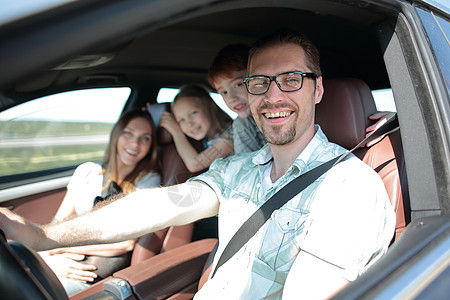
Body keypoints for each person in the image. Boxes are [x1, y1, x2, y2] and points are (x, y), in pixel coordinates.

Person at [0, 29, 395, 299]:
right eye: (258, 83)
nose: (273, 96)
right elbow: (159, 203)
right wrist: (43, 236)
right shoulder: (238, 168)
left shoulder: (349, 188)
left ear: (318, 88)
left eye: (291, 79)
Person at [39, 108, 161, 296]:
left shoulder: (148, 181)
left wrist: (61, 248)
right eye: (128, 133)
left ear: (151, 145)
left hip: (87, 273)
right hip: (60, 262)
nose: (135, 144)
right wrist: (50, 258)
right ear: (116, 135)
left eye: (145, 138)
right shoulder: (86, 171)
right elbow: (57, 223)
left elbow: (125, 243)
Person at [208, 43, 394, 153]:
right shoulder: (243, 126)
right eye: (222, 92)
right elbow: (246, 169)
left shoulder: (312, 112)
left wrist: (395, 122)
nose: (274, 96)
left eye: (239, 84)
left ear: (317, 91)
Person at [159, 83, 234, 172]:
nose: (189, 124)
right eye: (181, 120)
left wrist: (176, 131)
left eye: (194, 113)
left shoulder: (230, 135)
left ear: (210, 105)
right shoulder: (206, 140)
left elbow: (195, 165)